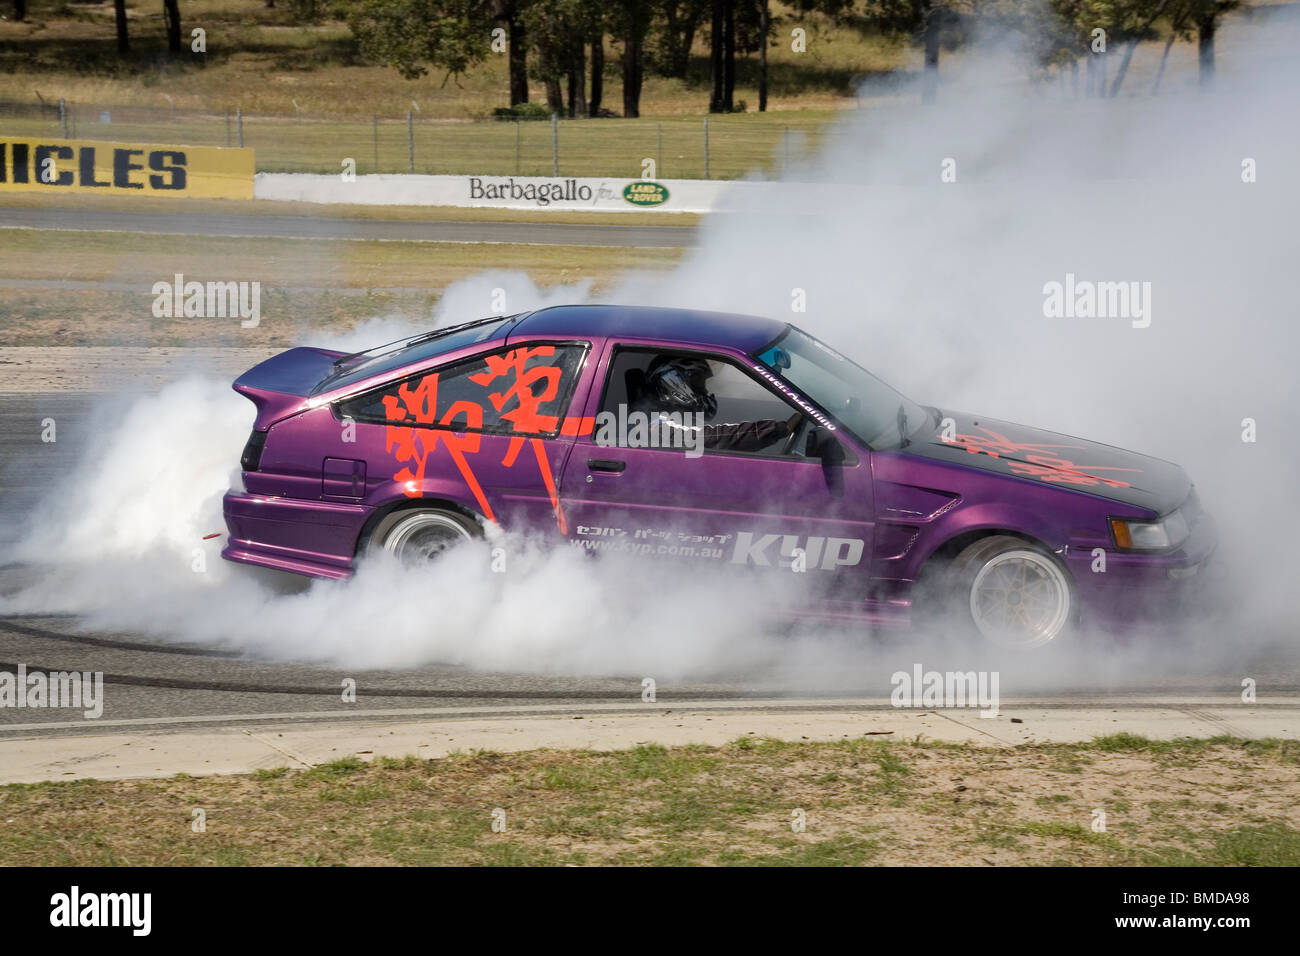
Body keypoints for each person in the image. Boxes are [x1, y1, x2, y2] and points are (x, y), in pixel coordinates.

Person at [632, 355, 801, 453]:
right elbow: (715, 438)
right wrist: (778, 429)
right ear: (673, 382)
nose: (704, 391)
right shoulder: (655, 424)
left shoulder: (672, 413)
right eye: (698, 384)